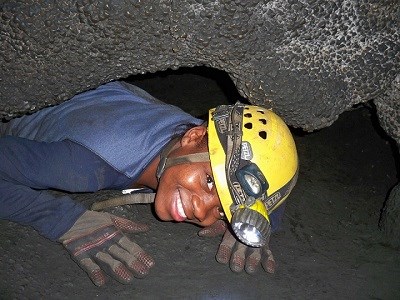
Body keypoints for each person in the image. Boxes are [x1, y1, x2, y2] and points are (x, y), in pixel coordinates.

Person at [0, 81, 298, 286]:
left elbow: (269, 180)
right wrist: (63, 220)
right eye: (210, 182)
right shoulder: (83, 165)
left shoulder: (205, 138)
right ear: (193, 137)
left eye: (220, 211)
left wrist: (249, 221)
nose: (203, 213)